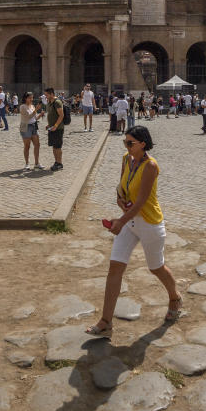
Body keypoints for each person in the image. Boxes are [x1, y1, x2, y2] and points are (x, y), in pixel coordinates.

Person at [85, 126, 182, 336]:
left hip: (149, 223)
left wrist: (120, 220)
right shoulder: (125, 159)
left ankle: (175, 297)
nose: (127, 146)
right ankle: (105, 322)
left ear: (143, 144)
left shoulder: (151, 166)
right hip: (130, 223)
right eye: (125, 142)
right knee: (115, 268)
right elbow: (122, 187)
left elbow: (141, 202)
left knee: (156, 268)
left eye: (130, 143)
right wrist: (119, 199)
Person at [19, 91, 43, 170]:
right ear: (25, 98)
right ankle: (27, 163)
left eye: (32, 98)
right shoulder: (22, 107)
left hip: (34, 126)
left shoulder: (32, 106)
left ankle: (36, 163)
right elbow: (28, 117)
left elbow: (34, 118)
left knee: (37, 144)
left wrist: (40, 115)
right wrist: (36, 109)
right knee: (27, 146)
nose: (31, 99)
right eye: (30, 98)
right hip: (26, 127)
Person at [44, 86, 66, 172]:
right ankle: (56, 162)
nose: (45, 96)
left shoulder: (57, 102)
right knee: (54, 146)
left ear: (52, 94)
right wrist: (49, 125)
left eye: (47, 95)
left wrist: (55, 126)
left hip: (58, 128)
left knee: (58, 147)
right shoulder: (50, 102)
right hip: (51, 128)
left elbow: (61, 115)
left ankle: (59, 163)